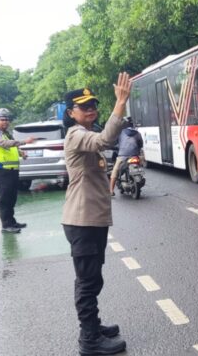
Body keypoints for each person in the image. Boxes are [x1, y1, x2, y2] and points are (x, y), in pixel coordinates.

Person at [61, 73, 131, 355]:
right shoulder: (76, 134)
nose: (90, 109)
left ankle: (93, 326)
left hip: (91, 220)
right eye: (84, 106)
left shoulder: (85, 132)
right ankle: (89, 340)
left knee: (92, 278)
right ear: (71, 113)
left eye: (93, 105)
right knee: (88, 282)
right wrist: (120, 103)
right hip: (82, 221)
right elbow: (103, 141)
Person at [0, 108, 35, 233]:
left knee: (12, 198)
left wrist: (21, 153)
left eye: (7, 119)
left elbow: (11, 148)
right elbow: (4, 144)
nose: (5, 122)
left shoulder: (7, 134)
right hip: (2, 172)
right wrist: (24, 141)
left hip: (12, 171)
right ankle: (6, 225)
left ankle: (12, 222)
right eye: (2, 119)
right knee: (4, 200)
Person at [109, 121, 144, 196]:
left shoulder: (120, 133)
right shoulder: (137, 133)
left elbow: (115, 142)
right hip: (134, 155)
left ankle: (111, 190)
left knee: (115, 171)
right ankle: (141, 176)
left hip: (123, 156)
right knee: (140, 165)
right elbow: (141, 144)